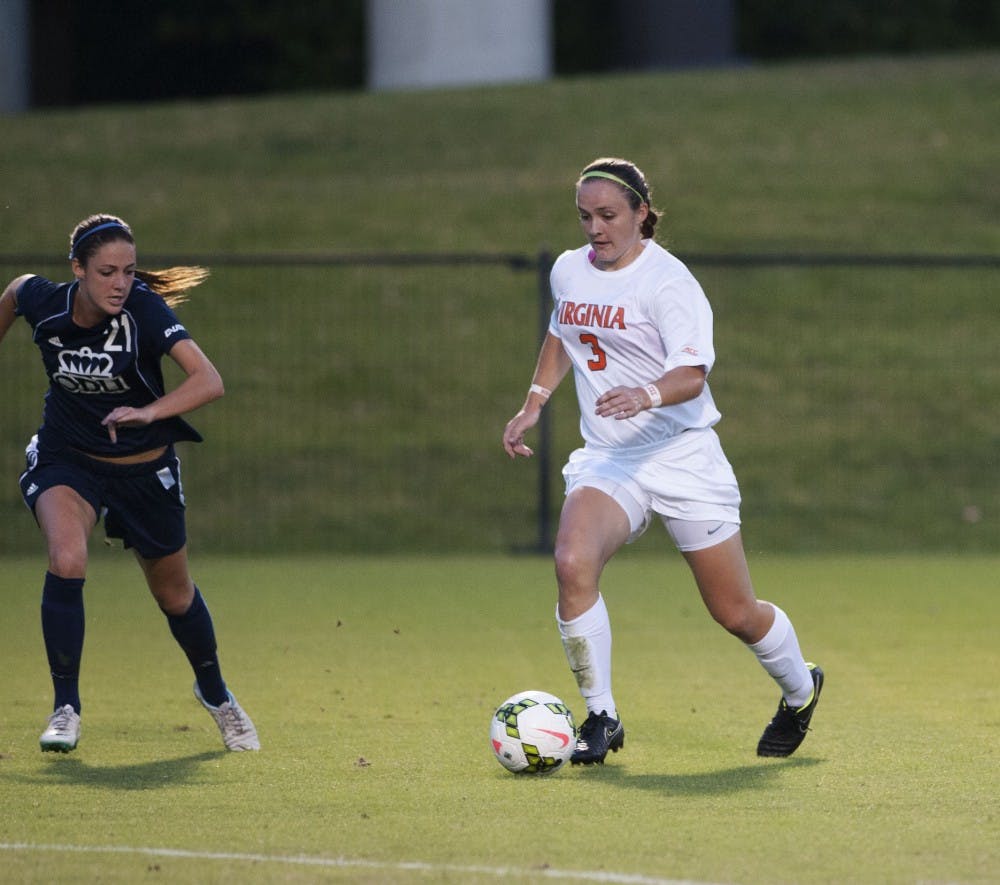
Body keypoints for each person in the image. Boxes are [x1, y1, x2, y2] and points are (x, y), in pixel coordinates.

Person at [502, 158, 823, 764]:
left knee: (734, 612)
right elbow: (562, 333)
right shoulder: (570, 270)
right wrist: (533, 403)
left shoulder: (669, 283)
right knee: (572, 562)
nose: (595, 228)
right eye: (585, 216)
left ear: (642, 213)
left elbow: (692, 373)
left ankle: (801, 691)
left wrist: (645, 393)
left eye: (608, 215)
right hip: (610, 459)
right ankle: (601, 716)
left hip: (681, 456)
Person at [0, 214, 259, 753]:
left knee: (174, 595)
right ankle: (65, 708)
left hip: (143, 470)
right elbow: (15, 292)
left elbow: (209, 381)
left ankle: (216, 695)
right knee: (67, 559)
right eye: (106, 272)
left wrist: (148, 414)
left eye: (129, 270)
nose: (120, 283)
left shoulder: (143, 310)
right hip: (67, 457)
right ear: (78, 269)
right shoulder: (42, 301)